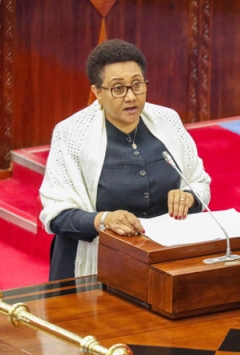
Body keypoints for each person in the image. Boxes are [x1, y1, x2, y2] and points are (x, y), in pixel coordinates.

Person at [39, 39, 212, 280]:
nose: (131, 97)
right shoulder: (71, 134)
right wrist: (103, 220)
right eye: (118, 88)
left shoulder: (167, 120)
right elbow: (56, 216)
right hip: (96, 268)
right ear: (97, 92)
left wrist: (189, 197)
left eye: (137, 85)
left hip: (163, 264)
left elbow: (199, 183)